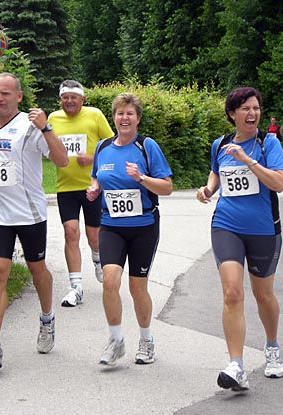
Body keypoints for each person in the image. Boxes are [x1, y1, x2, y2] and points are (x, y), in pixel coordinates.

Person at [0, 72, 69, 369]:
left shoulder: (31, 126)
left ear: (19, 97)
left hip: (29, 213)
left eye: (5, 93)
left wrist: (47, 127)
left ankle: (47, 318)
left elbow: (61, 161)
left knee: (38, 271)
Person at [196, 87, 283, 391]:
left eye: (256, 108)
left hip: (263, 230)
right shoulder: (220, 144)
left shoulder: (268, 143)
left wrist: (248, 160)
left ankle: (272, 346)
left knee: (264, 296)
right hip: (226, 226)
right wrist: (208, 189)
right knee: (232, 293)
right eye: (246, 109)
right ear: (232, 114)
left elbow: (279, 183)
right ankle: (236, 366)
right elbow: (216, 173)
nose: (252, 114)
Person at [87, 93, 173, 366]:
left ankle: (146, 339)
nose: (124, 118)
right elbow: (96, 178)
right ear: (113, 117)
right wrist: (94, 189)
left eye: (130, 114)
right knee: (110, 280)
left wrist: (142, 178)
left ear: (138, 118)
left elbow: (167, 187)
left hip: (143, 227)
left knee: (137, 288)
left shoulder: (146, 146)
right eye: (120, 113)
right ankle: (116, 341)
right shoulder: (103, 148)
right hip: (111, 226)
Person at [47, 80, 115, 308]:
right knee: (70, 232)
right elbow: (48, 150)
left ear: (82, 99)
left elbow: (113, 145)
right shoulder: (53, 119)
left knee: (93, 236)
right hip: (65, 186)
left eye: (73, 97)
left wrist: (93, 158)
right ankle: (75, 286)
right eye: (64, 97)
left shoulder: (94, 115)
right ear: (60, 100)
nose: (68, 101)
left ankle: (98, 258)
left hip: (92, 186)